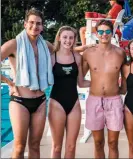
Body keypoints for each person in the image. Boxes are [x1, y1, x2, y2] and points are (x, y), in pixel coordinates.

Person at [1, 8, 54, 158]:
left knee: (35, 146)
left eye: (38, 23)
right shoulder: (14, 44)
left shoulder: (46, 46)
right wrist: (9, 83)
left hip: (41, 102)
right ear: (25, 24)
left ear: (42, 26)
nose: (34, 26)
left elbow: (65, 53)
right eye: (31, 22)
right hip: (20, 101)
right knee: (19, 146)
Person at [82, 20, 126, 158]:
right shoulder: (88, 53)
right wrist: (94, 85)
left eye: (107, 31)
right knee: (98, 142)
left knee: (113, 142)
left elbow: (125, 75)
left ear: (112, 33)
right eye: (100, 31)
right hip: (94, 100)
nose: (104, 34)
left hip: (114, 101)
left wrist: (122, 89)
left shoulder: (120, 53)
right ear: (96, 33)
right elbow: (79, 78)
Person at [48, 26, 90, 158]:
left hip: (74, 104)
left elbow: (81, 83)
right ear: (59, 38)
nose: (68, 40)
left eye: (71, 37)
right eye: (65, 37)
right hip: (56, 104)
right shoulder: (52, 58)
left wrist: (103, 83)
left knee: (71, 147)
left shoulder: (77, 57)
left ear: (74, 39)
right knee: (56, 147)